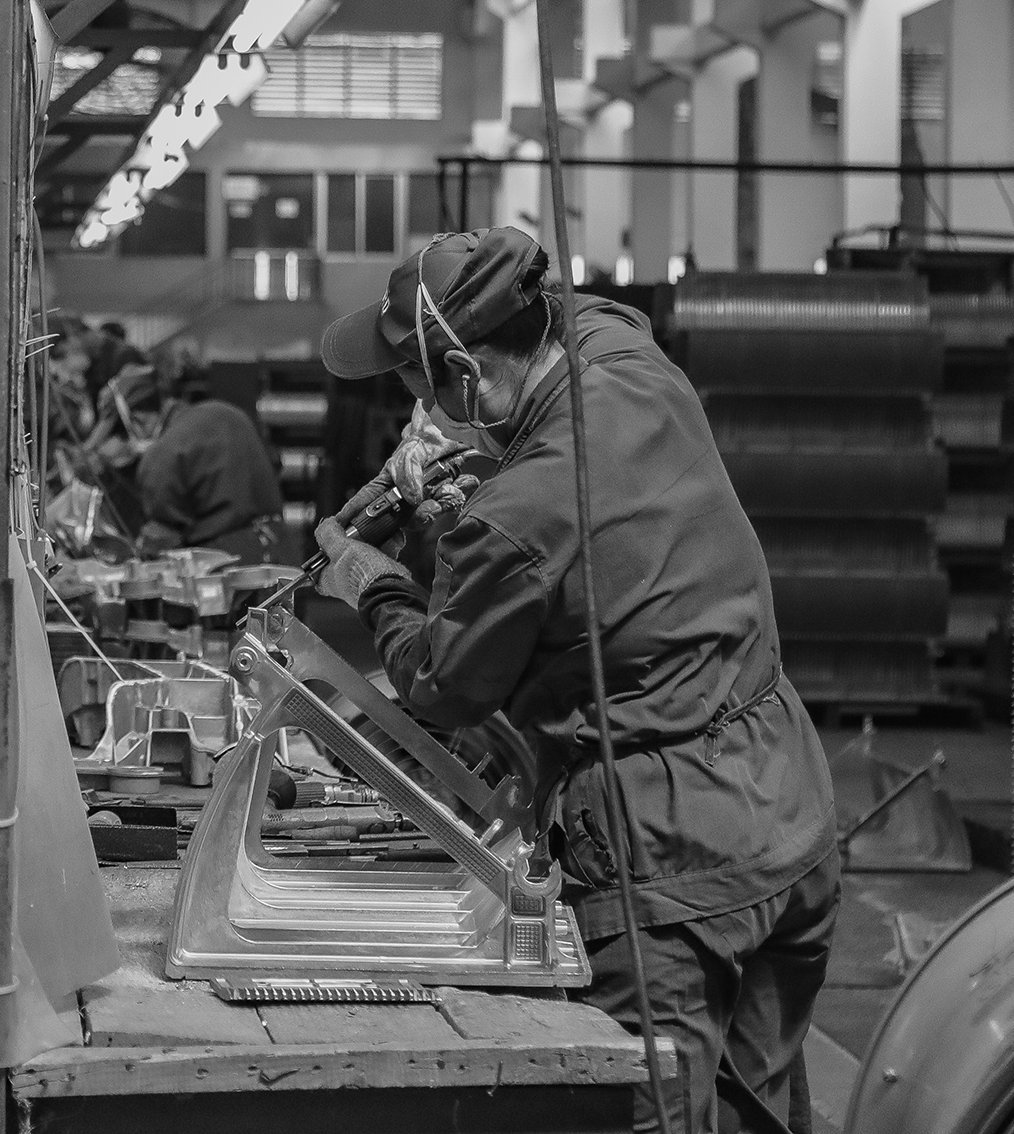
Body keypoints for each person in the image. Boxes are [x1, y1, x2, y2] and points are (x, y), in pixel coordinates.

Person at [310, 229, 838, 1134]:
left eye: (416, 384)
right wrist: (478, 468)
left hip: (670, 863)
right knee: (756, 1116)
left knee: (651, 1114)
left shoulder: (515, 521)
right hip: (789, 809)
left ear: (464, 377)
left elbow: (444, 685)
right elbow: (578, 491)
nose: (414, 406)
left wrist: (377, 580)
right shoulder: (627, 355)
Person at [112, 345, 286, 563]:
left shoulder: (162, 454)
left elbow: (163, 535)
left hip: (225, 562)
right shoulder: (226, 412)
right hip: (276, 547)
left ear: (138, 419)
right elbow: (276, 462)